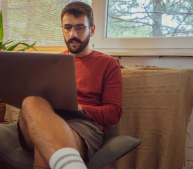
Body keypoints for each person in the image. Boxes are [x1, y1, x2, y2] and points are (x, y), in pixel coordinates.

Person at [17, 2, 122, 169]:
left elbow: (114, 113)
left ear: (92, 30)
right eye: (68, 27)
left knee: (45, 144)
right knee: (30, 102)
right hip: (48, 116)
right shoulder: (51, 62)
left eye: (80, 27)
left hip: (83, 124)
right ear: (62, 29)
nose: (73, 34)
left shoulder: (109, 64)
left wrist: (79, 108)